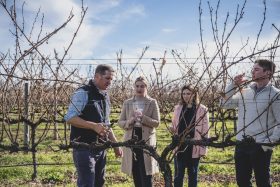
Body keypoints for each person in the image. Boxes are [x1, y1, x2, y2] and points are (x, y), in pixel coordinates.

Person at [221, 59, 280, 187]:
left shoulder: (275, 95)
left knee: (263, 182)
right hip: (241, 143)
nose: (252, 72)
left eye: (256, 69)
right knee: (242, 182)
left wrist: (267, 143)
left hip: (261, 145)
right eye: (252, 69)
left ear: (268, 73)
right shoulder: (245, 92)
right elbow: (224, 104)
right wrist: (233, 86)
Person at [64, 64, 122, 187]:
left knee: (99, 183)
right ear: (97, 76)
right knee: (87, 183)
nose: (110, 82)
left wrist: (116, 145)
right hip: (84, 147)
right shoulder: (83, 93)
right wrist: (93, 126)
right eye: (107, 78)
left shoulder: (105, 96)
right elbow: (70, 118)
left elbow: (106, 123)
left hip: (101, 147)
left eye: (111, 79)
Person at [118, 76, 160, 187]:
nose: (139, 88)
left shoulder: (152, 102)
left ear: (146, 87)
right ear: (134, 87)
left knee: (146, 172)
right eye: (137, 86)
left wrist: (144, 118)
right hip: (131, 139)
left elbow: (157, 123)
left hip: (146, 140)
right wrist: (129, 121)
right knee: (135, 170)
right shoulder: (127, 103)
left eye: (142, 86)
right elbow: (120, 122)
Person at [169, 85, 209, 187]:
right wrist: (172, 129)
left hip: (194, 146)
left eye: (188, 93)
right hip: (180, 146)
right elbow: (174, 125)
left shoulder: (202, 109)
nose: (186, 96)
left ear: (194, 94)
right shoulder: (178, 109)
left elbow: (205, 131)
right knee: (178, 176)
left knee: (193, 176)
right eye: (184, 94)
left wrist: (203, 149)